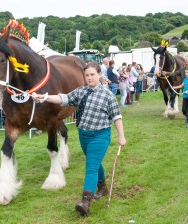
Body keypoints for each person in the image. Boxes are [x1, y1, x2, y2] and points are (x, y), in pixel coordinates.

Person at [33, 62, 126, 216]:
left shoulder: (107, 95)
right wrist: (45, 97)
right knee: (94, 162)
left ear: (99, 75)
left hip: (100, 136)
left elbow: (117, 117)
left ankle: (85, 202)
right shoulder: (81, 91)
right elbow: (63, 98)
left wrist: (121, 136)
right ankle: (102, 187)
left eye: (92, 75)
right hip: (84, 135)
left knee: (91, 167)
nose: (89, 78)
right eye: (87, 75)